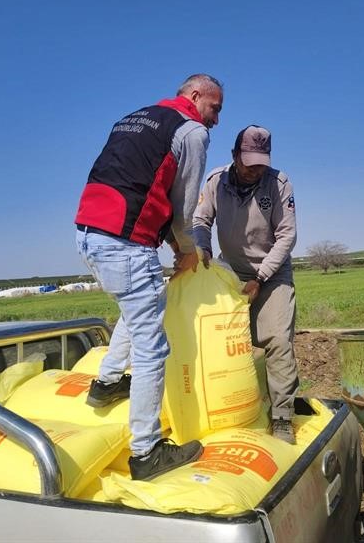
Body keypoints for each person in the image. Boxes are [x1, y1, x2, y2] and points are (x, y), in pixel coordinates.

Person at [74, 74, 223, 479]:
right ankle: (146, 452)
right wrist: (187, 250)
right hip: (125, 240)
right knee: (153, 349)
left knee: (141, 306)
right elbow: (185, 201)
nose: (215, 121)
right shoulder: (191, 131)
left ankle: (105, 384)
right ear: (195, 97)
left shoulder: (134, 117)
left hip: (88, 233)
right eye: (215, 109)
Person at [193, 125, 300, 444]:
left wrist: (260, 278)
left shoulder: (278, 183)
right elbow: (201, 220)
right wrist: (204, 249)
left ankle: (282, 416)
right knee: (222, 340)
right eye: (248, 161)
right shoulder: (216, 181)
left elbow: (287, 236)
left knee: (277, 340)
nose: (254, 169)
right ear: (234, 156)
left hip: (271, 272)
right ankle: (231, 403)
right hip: (231, 273)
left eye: (260, 162)